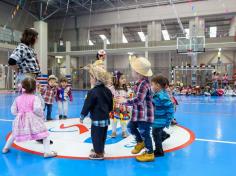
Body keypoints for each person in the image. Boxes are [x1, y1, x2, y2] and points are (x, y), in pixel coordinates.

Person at [2, 77, 57, 158]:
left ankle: (5, 148)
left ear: (22, 87)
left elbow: (13, 110)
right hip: (33, 120)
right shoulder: (35, 98)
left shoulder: (18, 98)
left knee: (14, 133)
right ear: (34, 88)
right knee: (44, 135)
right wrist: (41, 115)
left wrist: (20, 113)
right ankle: (47, 152)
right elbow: (37, 109)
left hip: (20, 120)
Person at [124, 56, 155, 162]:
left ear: (138, 72)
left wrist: (124, 102)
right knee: (130, 127)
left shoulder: (143, 84)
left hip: (144, 116)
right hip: (138, 114)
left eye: (133, 70)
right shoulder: (139, 83)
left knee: (145, 133)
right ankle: (140, 142)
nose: (132, 71)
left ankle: (149, 153)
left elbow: (138, 100)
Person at [80, 63, 113, 160]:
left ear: (95, 78)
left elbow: (87, 104)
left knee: (96, 136)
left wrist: (82, 115)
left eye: (91, 77)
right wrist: (108, 110)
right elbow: (111, 103)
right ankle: (100, 149)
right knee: (103, 135)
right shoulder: (108, 90)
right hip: (105, 118)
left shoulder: (92, 91)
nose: (90, 79)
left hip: (97, 119)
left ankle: (99, 154)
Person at [151, 75, 174, 157]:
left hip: (161, 119)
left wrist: (169, 119)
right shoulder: (158, 94)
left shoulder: (161, 96)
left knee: (155, 133)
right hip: (158, 118)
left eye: (152, 84)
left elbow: (170, 106)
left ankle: (159, 151)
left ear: (157, 85)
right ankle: (164, 135)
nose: (152, 86)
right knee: (157, 131)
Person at [109, 71, 130, 138]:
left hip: (123, 107)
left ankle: (124, 132)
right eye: (121, 78)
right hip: (115, 107)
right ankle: (113, 132)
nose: (124, 79)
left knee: (123, 120)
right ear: (117, 80)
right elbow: (109, 95)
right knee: (114, 120)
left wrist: (127, 102)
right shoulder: (112, 88)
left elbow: (129, 97)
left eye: (124, 78)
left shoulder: (126, 88)